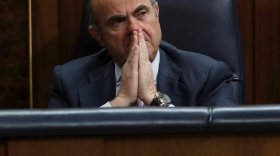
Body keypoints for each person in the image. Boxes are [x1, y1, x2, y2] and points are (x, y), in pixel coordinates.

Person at [48, 0, 238, 108]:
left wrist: (152, 97)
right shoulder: (69, 81)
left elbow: (225, 144)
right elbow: (58, 152)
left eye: (141, 13)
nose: (134, 28)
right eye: (118, 21)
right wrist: (119, 102)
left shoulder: (208, 76)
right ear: (97, 35)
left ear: (156, 12)